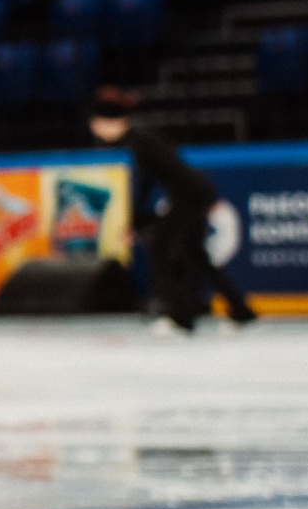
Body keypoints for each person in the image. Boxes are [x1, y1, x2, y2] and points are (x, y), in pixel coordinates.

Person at [87, 87, 256, 335]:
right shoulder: (142, 140)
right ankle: (241, 311)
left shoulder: (140, 142)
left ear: (107, 123)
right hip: (193, 194)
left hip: (190, 196)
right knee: (195, 256)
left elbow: (149, 183)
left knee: (164, 251)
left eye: (96, 124)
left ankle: (181, 318)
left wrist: (136, 224)